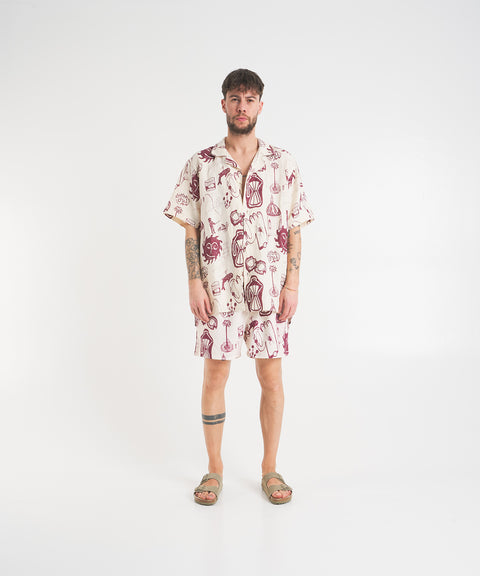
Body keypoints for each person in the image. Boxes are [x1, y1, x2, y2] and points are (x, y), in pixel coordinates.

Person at [163, 69, 314, 505]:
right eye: (235, 98)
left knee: (271, 376)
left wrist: (292, 284)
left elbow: (296, 227)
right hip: (218, 288)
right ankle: (214, 469)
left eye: (249, 99)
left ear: (261, 105)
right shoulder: (200, 164)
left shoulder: (284, 163)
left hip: (269, 287)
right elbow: (191, 229)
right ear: (223, 104)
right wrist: (194, 281)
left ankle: (270, 468)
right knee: (215, 374)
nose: (242, 106)